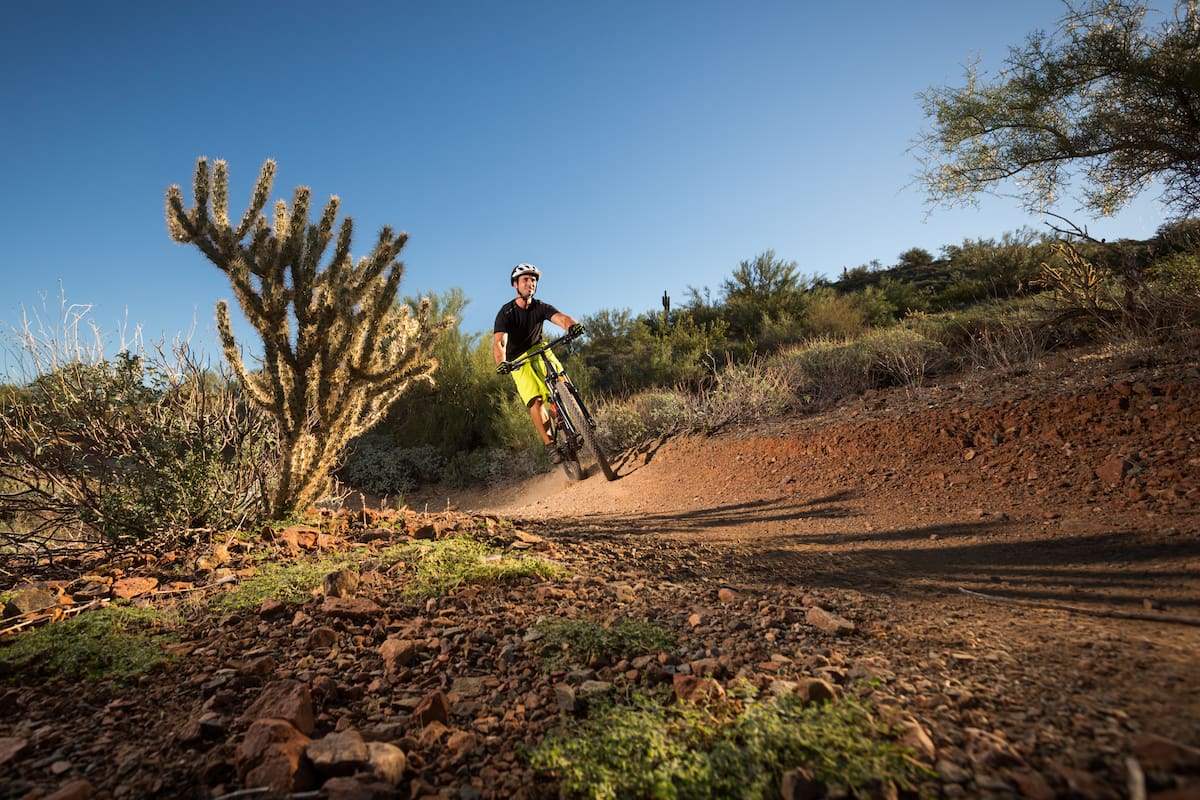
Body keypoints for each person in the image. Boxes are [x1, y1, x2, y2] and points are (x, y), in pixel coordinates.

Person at [493, 263, 584, 464]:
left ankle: (565, 413)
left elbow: (561, 318)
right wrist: (502, 361)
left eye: (533, 280)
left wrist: (572, 326)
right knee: (536, 400)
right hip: (517, 360)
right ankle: (550, 446)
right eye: (525, 279)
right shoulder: (506, 313)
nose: (530, 283)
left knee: (561, 382)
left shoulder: (541, 306)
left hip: (540, 349)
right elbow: (500, 342)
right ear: (515, 284)